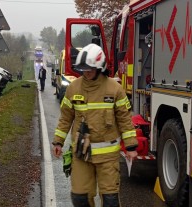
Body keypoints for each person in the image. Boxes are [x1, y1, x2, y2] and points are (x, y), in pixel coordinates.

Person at [52, 43, 138, 207]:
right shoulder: (73, 88)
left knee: (110, 201)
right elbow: (65, 118)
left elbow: (125, 119)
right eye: (83, 68)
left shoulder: (115, 89)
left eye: (90, 68)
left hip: (108, 158)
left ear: (100, 67)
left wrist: (131, 147)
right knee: (80, 198)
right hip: (81, 154)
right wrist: (58, 141)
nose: (86, 72)